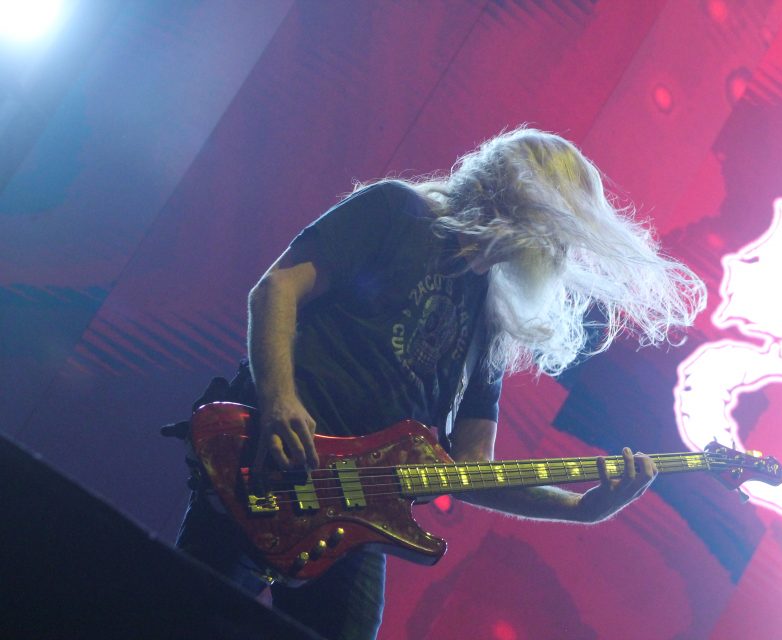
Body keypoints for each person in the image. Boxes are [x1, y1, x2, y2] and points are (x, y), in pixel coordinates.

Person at [177, 128, 706, 639]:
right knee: (175, 615)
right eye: (560, 229)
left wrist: (579, 509)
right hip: (270, 463)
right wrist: (279, 400)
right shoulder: (396, 210)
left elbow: (471, 469)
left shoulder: (491, 319)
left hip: (356, 514)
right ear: (527, 202)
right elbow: (276, 289)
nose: (561, 250)